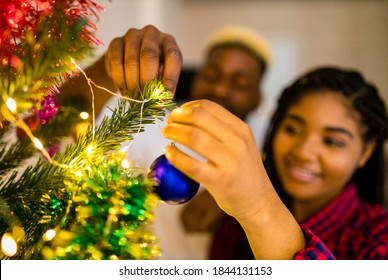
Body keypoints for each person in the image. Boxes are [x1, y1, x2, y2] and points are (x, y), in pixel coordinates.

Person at [101, 26, 388, 259]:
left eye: (333, 141)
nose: (303, 151)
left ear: (366, 151)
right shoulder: (233, 228)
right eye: (292, 129)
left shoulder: (378, 238)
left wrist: (257, 208)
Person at [58, 25, 273, 259]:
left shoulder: (265, 146)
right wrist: (103, 69)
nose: (220, 89)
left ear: (257, 98)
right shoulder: (152, 118)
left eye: (239, 84)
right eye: (211, 76)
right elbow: (65, 117)